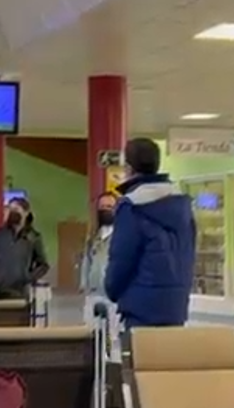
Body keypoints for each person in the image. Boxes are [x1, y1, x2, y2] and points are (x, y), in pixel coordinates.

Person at [105, 138, 196, 329]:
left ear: (128, 168)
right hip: (176, 306)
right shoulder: (182, 205)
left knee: (140, 358)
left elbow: (122, 258)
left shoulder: (132, 206)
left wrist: (112, 290)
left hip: (141, 307)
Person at [0, 197, 50, 296]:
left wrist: (28, 277)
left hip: (22, 291)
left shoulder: (33, 237)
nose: (12, 213)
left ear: (26, 213)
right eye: (9, 209)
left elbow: (43, 265)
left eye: (16, 209)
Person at [80, 192, 118, 323]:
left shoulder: (122, 236)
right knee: (90, 333)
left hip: (114, 296)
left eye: (109, 206)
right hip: (93, 294)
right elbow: (87, 260)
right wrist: (84, 285)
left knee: (112, 337)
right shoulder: (93, 237)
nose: (105, 210)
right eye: (102, 207)